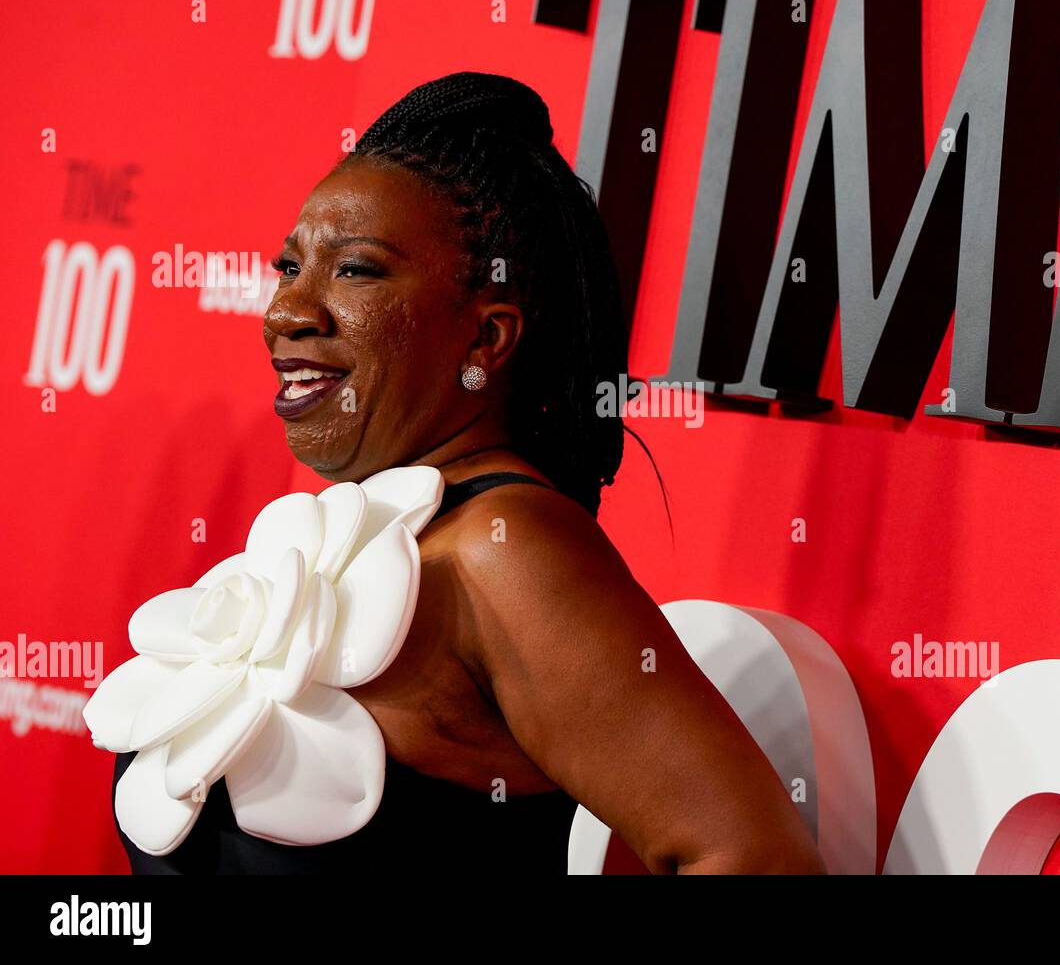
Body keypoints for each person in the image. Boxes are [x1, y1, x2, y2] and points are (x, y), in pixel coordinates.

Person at [113, 71, 826, 875]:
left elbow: (752, 855)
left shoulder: (507, 546)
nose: (287, 313)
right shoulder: (353, 530)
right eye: (288, 268)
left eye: (355, 271)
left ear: (486, 340)